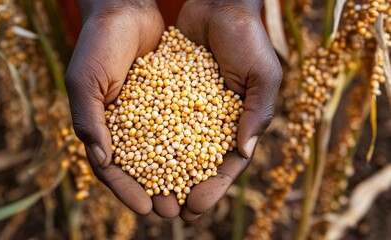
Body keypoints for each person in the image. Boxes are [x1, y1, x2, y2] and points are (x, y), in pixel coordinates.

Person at [65, 0, 282, 221]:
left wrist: (229, 4)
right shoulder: (138, 114)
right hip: (119, 38)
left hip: (219, 39)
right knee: (97, 58)